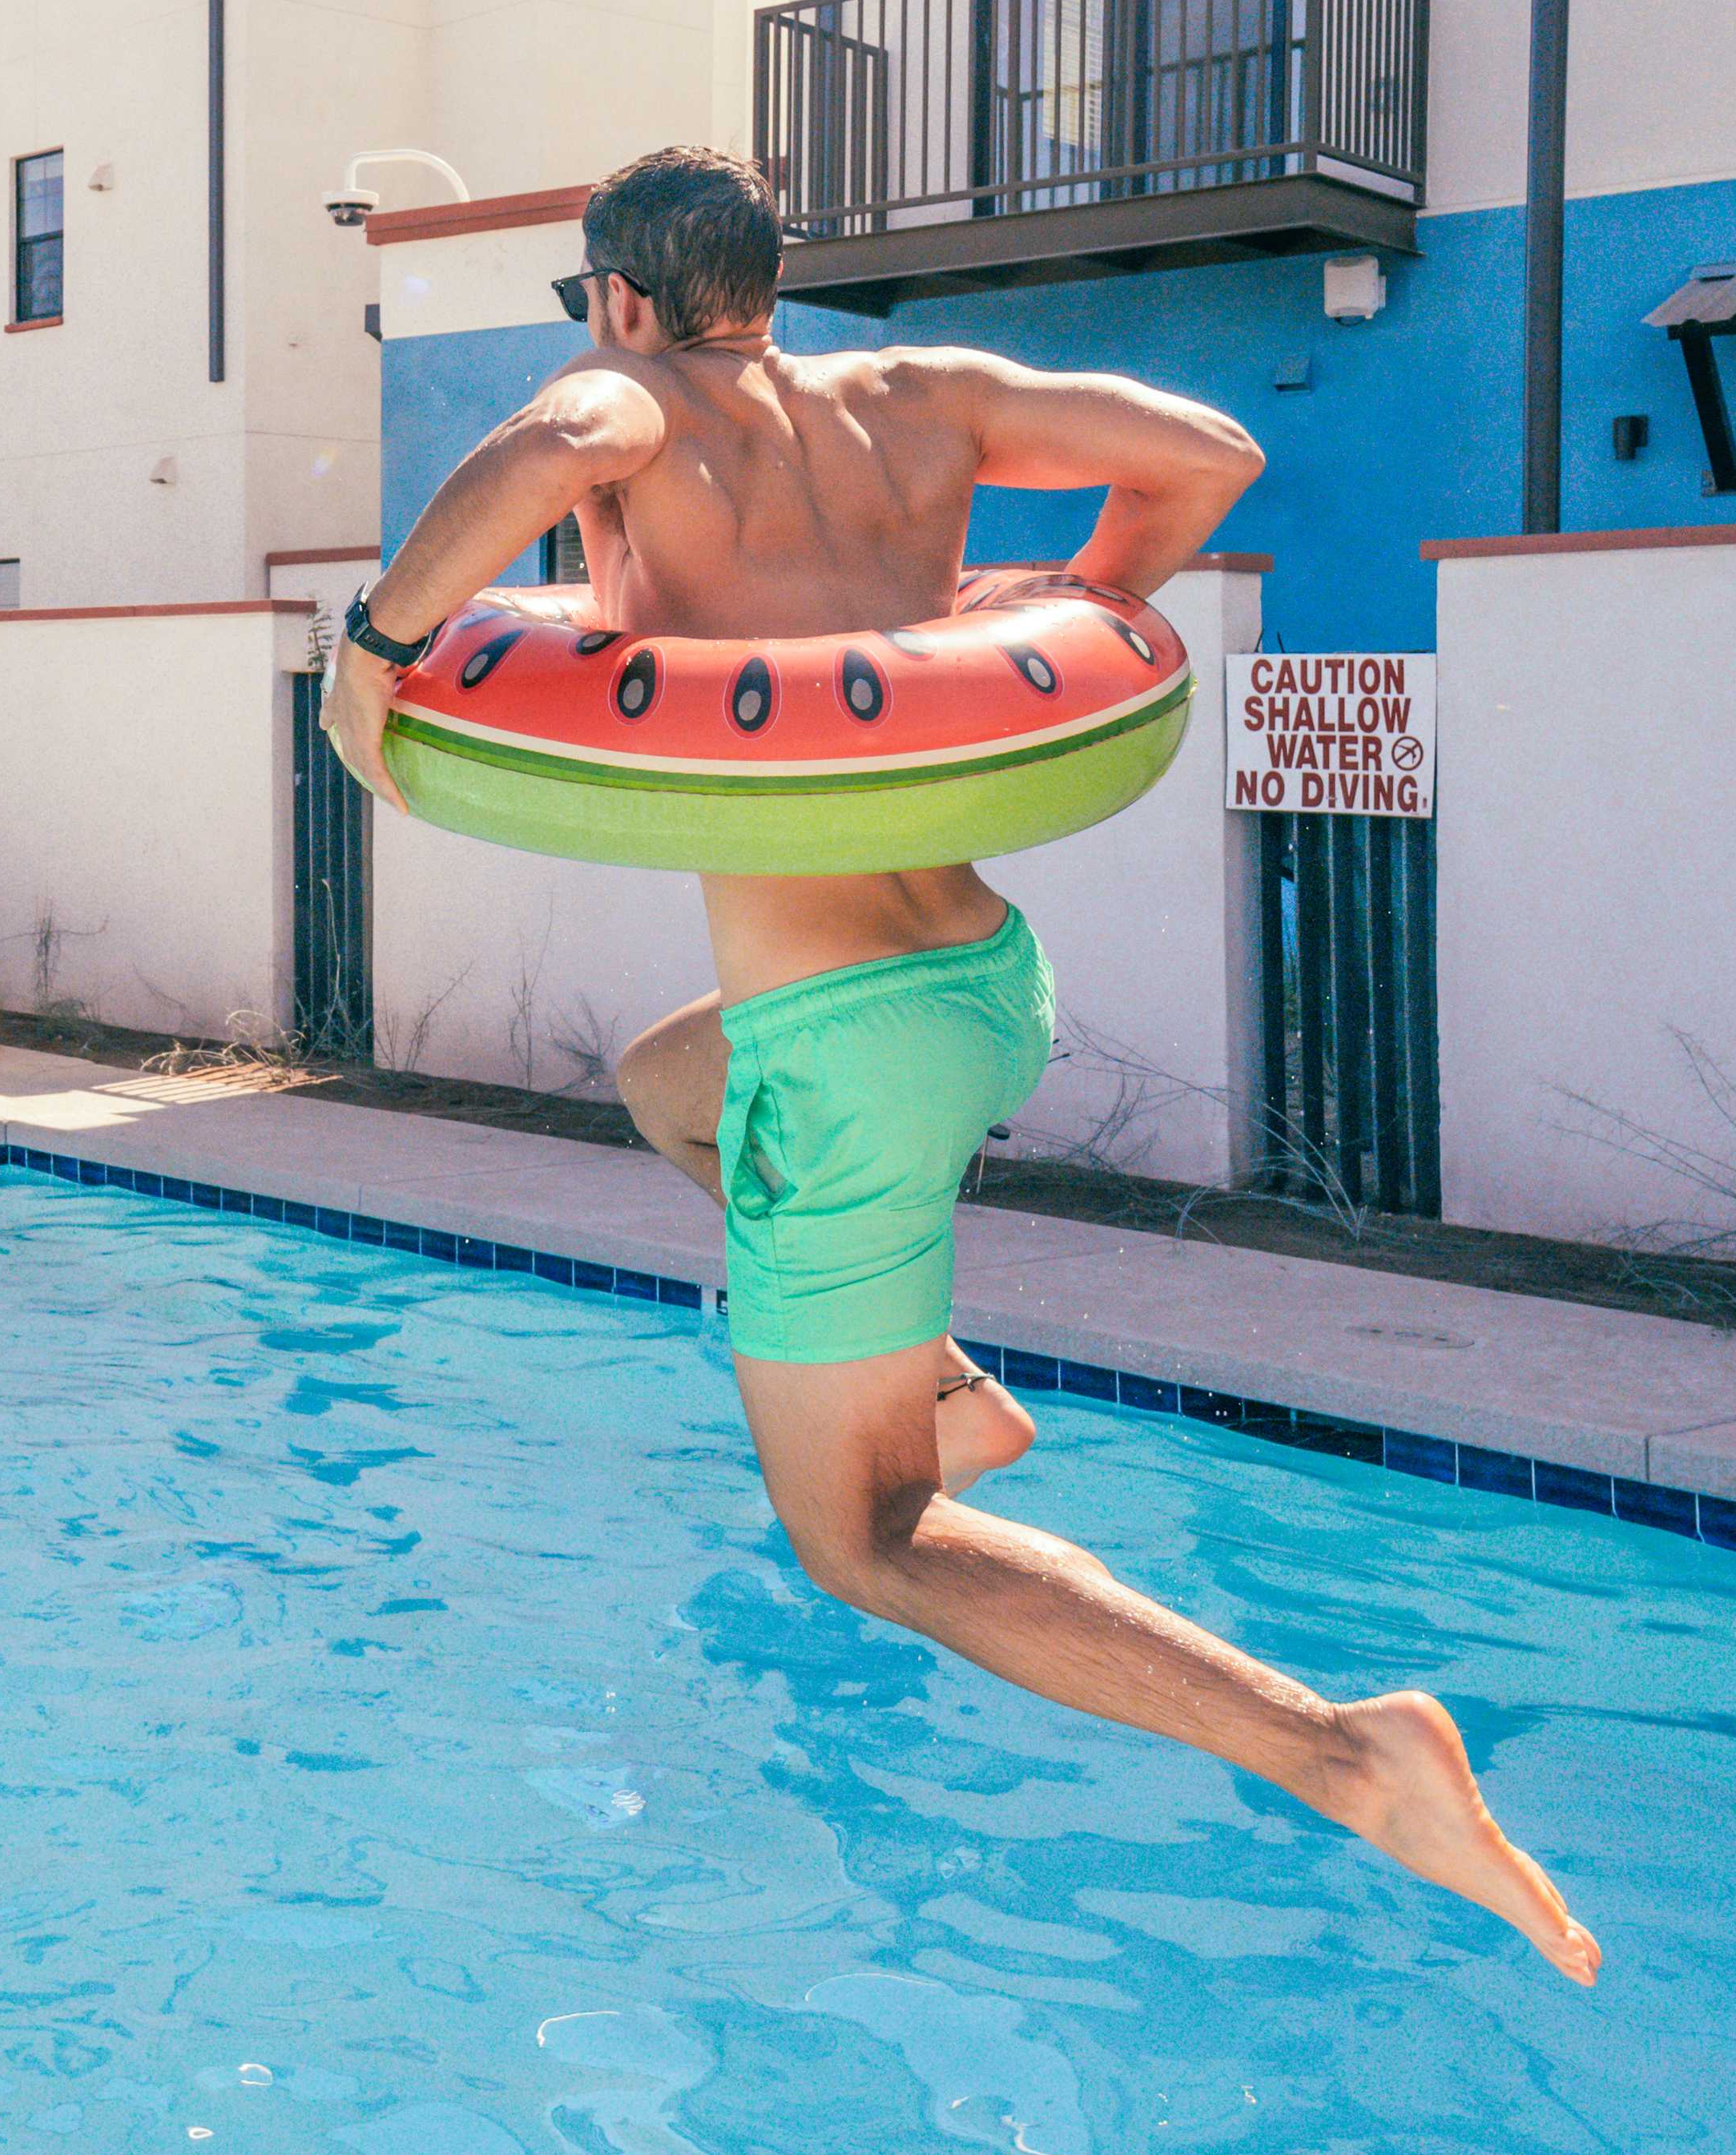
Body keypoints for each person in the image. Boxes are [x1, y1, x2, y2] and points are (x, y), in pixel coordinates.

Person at [322, 147, 1598, 1984]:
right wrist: (1055, 607)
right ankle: (940, 1379)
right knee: (672, 1082)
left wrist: (373, 654)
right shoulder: (911, 400)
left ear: (616, 292)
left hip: (859, 1051)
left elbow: (542, 452)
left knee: (868, 1540)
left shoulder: (629, 400)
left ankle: (1346, 1751)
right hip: (982, 976)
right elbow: (1210, 456)